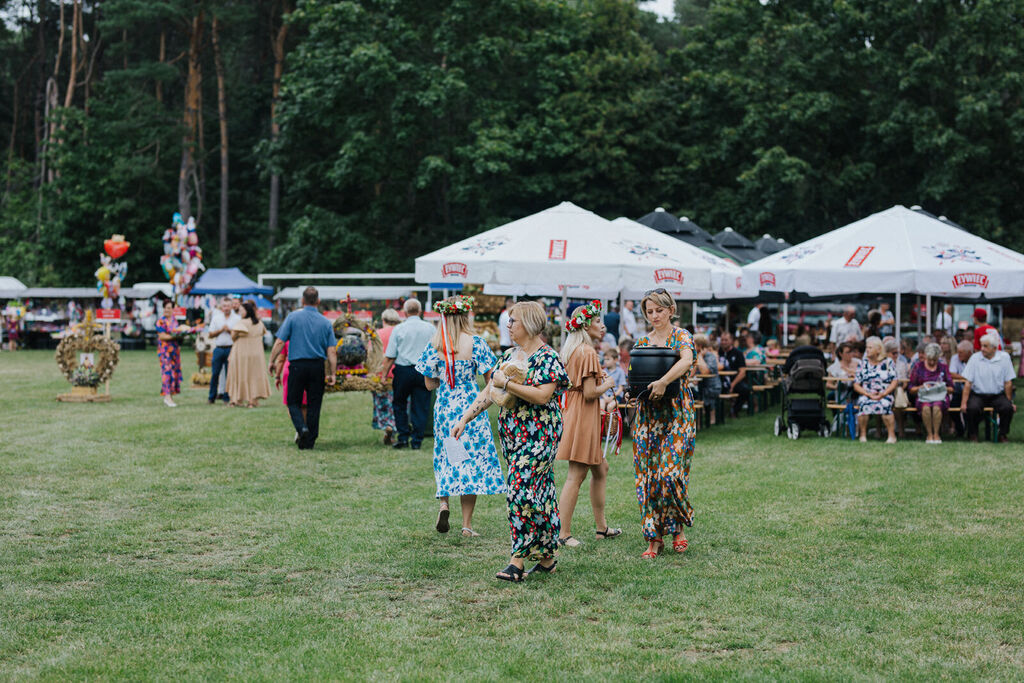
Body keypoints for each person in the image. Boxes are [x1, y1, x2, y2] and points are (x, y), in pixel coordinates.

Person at [451, 301, 569, 582]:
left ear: (528, 324)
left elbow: (542, 395)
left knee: (520, 491)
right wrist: (465, 418)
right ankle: (547, 559)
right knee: (540, 494)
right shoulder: (507, 355)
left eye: (513, 321)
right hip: (514, 436)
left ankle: (517, 561)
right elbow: (490, 391)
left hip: (541, 434)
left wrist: (507, 383)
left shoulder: (548, 358)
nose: (508, 325)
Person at [415, 295, 506, 537]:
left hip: (445, 406)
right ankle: (467, 525)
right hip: (470, 405)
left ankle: (444, 503)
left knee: (447, 455)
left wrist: (443, 378)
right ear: (465, 316)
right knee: (470, 460)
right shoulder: (476, 342)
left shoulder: (435, 344)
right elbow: (491, 380)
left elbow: (428, 384)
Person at [629, 289, 696, 559]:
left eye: (659, 310)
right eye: (649, 311)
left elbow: (687, 360)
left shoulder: (681, 336)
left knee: (670, 474)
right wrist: (632, 393)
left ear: (671, 310)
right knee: (648, 477)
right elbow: (636, 375)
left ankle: (678, 525)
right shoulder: (642, 342)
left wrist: (664, 381)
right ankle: (654, 538)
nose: (654, 316)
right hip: (648, 415)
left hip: (677, 412)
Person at [555, 301, 620, 548]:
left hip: (579, 412)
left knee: (600, 469)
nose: (602, 326)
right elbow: (591, 393)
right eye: (597, 322)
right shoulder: (587, 352)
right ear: (584, 326)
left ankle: (602, 528)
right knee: (576, 475)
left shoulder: (576, 350)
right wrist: (609, 383)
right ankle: (563, 533)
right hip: (583, 415)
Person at [268, 286, 337, 450]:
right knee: (314, 404)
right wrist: (332, 373)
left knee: (293, 401)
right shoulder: (325, 322)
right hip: (317, 367)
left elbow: (279, 342)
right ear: (318, 302)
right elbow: (332, 351)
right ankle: (310, 441)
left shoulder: (292, 318)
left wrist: (271, 361)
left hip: (297, 366)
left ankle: (301, 428)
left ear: (302, 301)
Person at [381, 298, 435, 450]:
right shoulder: (430, 328)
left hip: (403, 371)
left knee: (399, 403)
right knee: (421, 405)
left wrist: (384, 375)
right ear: (420, 311)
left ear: (404, 313)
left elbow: (390, 355)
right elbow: (436, 351)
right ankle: (417, 440)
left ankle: (403, 437)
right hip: (423, 371)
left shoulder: (399, 329)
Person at [961, 333, 1016, 443]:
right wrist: (964, 402)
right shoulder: (975, 358)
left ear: (994, 348)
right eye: (982, 346)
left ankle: (1002, 434)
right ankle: (973, 435)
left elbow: (1008, 383)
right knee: (971, 408)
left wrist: (1010, 401)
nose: (982, 349)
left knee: (1007, 408)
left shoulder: (1004, 358)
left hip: (997, 395)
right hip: (978, 394)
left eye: (985, 346)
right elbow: (968, 383)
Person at [853, 336, 899, 443]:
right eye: (867, 348)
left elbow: (894, 381)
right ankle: (863, 435)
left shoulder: (888, 362)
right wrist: (868, 394)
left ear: (879, 349)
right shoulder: (862, 363)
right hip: (867, 394)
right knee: (863, 404)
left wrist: (883, 394)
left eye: (870, 348)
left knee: (885, 404)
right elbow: (856, 384)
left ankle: (891, 436)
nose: (867, 350)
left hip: (884, 393)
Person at [226, 300, 271, 408]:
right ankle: (252, 400)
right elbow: (263, 333)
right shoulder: (259, 323)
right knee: (253, 376)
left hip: (241, 353)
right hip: (256, 354)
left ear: (247, 311)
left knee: (239, 375)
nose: (240, 312)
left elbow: (233, 336)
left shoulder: (241, 323)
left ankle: (236, 399)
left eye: (242, 310)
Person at [907, 342, 954, 444]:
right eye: (929, 360)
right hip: (924, 397)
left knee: (937, 406)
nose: (932, 362)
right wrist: (922, 387)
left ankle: (936, 434)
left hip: (940, 396)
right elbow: (911, 388)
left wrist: (941, 387)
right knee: (926, 407)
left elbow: (951, 388)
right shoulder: (918, 367)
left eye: (935, 360)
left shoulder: (943, 367)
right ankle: (929, 434)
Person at [372, 309, 401, 445]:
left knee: (383, 404)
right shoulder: (400, 332)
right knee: (398, 403)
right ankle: (393, 429)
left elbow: (370, 353)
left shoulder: (377, 334)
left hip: (381, 373)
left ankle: (387, 426)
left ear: (383, 320)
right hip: (398, 373)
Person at [207, 297, 240, 404]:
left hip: (231, 348)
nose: (226, 308)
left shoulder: (237, 318)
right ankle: (211, 397)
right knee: (215, 373)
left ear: (231, 306)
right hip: (219, 348)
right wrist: (221, 330)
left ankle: (227, 397)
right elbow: (210, 334)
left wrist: (229, 330)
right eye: (224, 306)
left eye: (228, 306)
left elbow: (239, 335)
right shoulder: (216, 318)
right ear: (221, 306)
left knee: (229, 374)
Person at [155, 301, 183, 408]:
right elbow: (162, 336)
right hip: (165, 350)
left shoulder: (175, 321)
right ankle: (167, 396)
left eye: (169, 308)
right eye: (166, 308)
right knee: (167, 372)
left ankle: (170, 396)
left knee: (174, 372)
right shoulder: (161, 321)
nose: (167, 310)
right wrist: (175, 337)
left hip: (175, 350)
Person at [718, 331, 749, 417]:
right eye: (722, 340)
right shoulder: (717, 352)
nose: (723, 342)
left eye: (726, 340)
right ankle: (717, 413)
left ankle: (734, 411)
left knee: (745, 390)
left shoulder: (738, 353)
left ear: (731, 341)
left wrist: (732, 384)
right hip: (720, 380)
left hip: (734, 380)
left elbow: (742, 372)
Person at [693, 334, 720, 425]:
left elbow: (705, 372)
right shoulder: (691, 356)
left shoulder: (710, 356)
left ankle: (708, 419)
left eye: (693, 344)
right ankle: (698, 424)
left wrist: (699, 356)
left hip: (712, 387)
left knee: (702, 394)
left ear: (700, 346)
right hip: (699, 386)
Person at [600, 347, 627, 412]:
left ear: (615, 360)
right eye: (605, 359)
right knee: (601, 405)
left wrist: (612, 397)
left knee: (610, 407)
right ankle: (602, 422)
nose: (606, 362)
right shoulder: (603, 371)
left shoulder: (620, 371)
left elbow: (620, 388)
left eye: (608, 359)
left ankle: (611, 422)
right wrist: (605, 397)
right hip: (604, 396)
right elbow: (600, 386)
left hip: (616, 397)